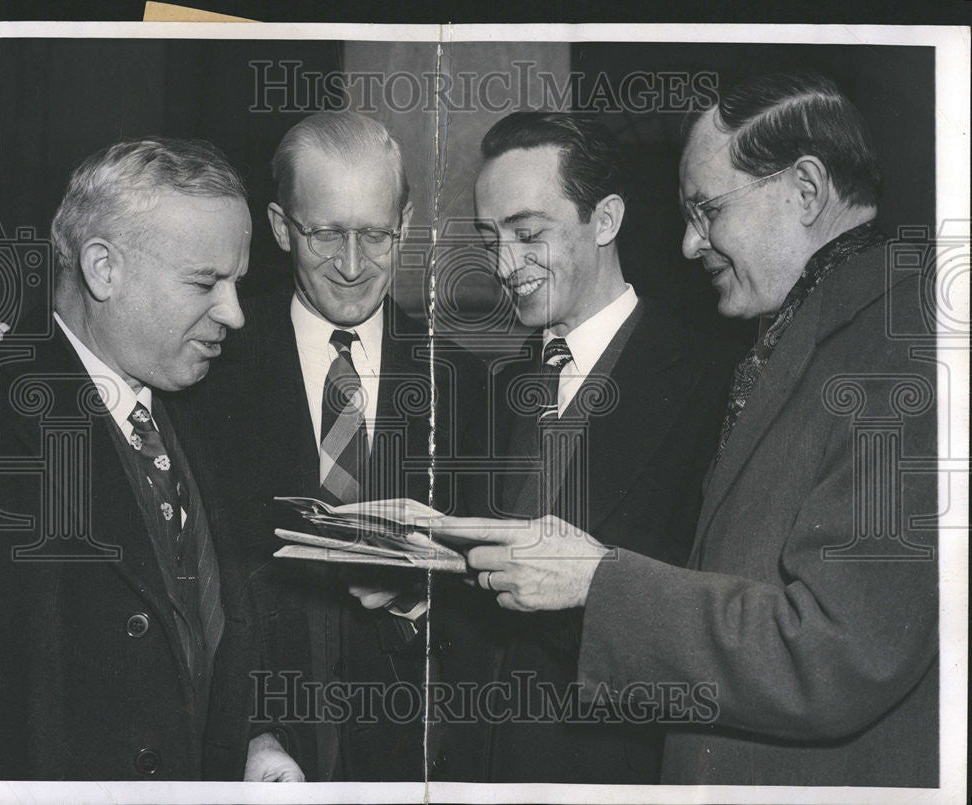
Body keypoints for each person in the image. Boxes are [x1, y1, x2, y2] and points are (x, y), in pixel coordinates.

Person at [428, 73, 938, 787]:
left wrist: (599, 582)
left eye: (707, 210)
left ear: (807, 189)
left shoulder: (903, 339)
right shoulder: (803, 339)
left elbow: (843, 651)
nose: (690, 244)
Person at [168, 111, 485, 781]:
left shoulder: (464, 385)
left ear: (404, 221)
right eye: (325, 233)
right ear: (282, 226)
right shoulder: (202, 374)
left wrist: (416, 596)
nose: (350, 265)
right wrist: (247, 735)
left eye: (373, 234)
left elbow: (494, 623)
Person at [427, 111, 741, 783]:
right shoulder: (493, 388)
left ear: (605, 220)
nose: (505, 265)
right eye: (490, 239)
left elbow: (717, 618)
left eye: (529, 233)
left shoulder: (715, 380)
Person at [0, 137, 301, 780]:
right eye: (205, 283)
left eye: (238, 283)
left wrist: (256, 738)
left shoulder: (208, 405)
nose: (236, 314)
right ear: (103, 269)